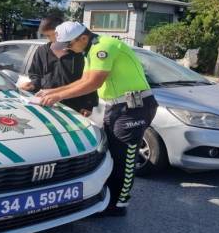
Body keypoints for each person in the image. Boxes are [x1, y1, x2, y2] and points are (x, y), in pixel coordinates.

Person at [37, 22, 158, 216]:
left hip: (134, 107)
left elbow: (94, 83)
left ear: (83, 38)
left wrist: (58, 97)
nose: (68, 48)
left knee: (124, 158)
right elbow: (84, 81)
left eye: (69, 44)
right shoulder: (90, 51)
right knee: (111, 154)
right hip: (118, 107)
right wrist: (52, 91)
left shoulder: (104, 46)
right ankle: (108, 197)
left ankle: (118, 205)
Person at [19, 16, 97, 116]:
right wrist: (32, 85)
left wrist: (88, 105)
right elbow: (36, 75)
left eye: (49, 35)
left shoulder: (79, 51)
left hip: (74, 107)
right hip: (47, 104)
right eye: (46, 36)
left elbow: (89, 80)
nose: (49, 39)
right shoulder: (41, 51)